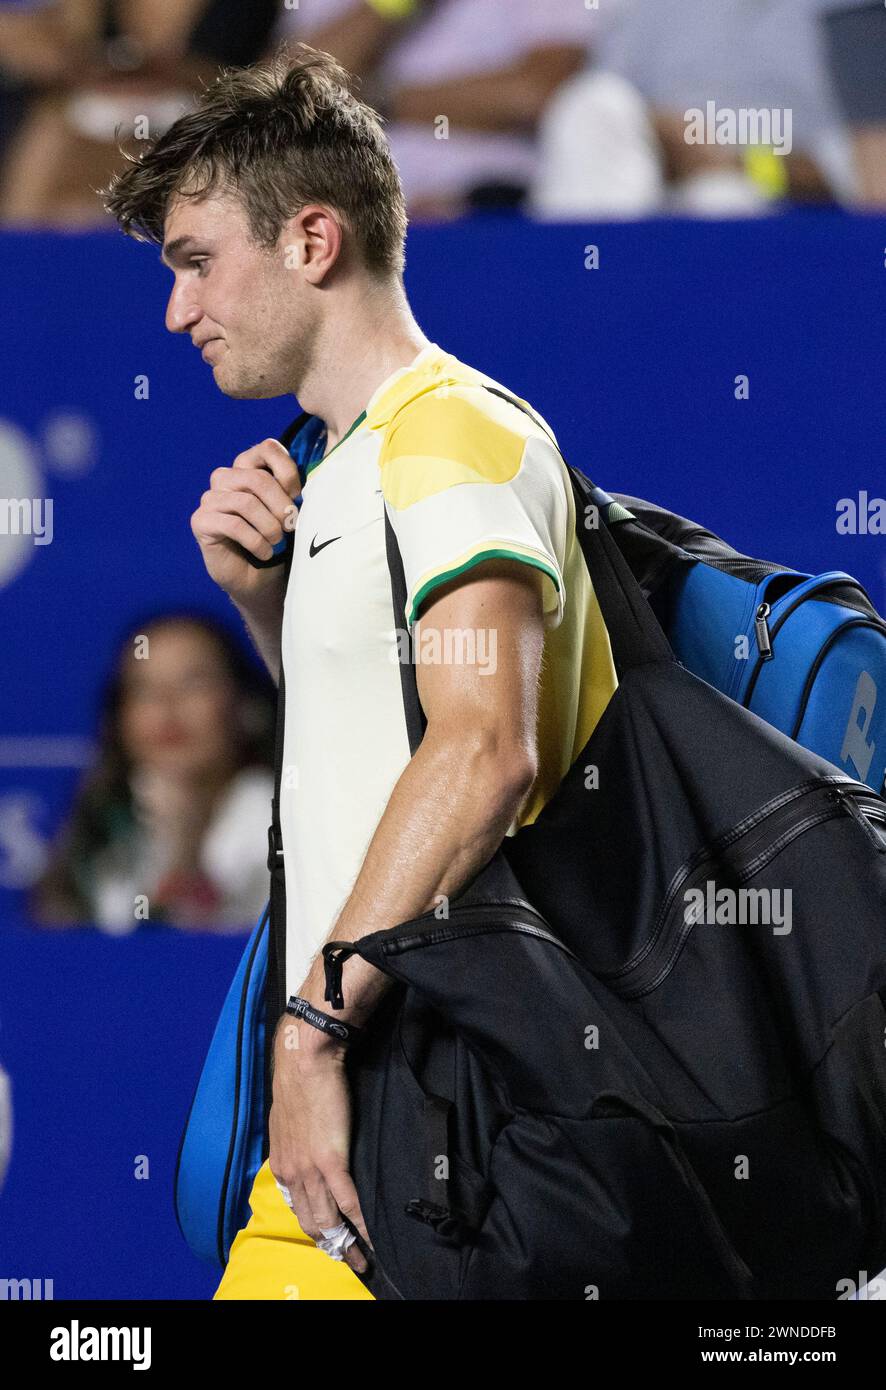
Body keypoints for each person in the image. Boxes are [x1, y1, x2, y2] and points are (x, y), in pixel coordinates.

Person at [101, 44, 618, 1300]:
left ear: (314, 241)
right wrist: (265, 600)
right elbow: (385, 743)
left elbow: (485, 747)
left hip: (449, 1098)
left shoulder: (446, 434)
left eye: (195, 260)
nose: (177, 310)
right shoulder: (349, 462)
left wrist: (315, 1026)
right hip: (391, 1090)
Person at [31, 613, 276, 932]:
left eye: (193, 682)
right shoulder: (103, 827)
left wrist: (185, 859)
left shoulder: (276, 815)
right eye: (144, 689)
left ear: (245, 705)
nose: (166, 706)